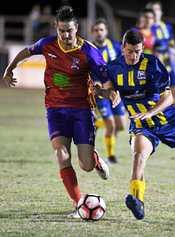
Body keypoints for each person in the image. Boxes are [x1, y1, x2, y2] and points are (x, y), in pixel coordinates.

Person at [2, 6, 117, 218]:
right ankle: (78, 203)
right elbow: (26, 51)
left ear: (77, 29)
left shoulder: (89, 52)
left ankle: (95, 160)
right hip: (55, 110)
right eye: (61, 30)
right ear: (56, 27)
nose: (65, 35)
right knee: (61, 155)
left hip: (82, 111)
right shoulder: (47, 44)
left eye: (69, 31)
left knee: (86, 166)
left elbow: (104, 78)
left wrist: (109, 92)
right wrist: (9, 70)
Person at [99, 29, 175, 220]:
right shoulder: (113, 68)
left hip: (169, 122)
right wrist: (107, 94)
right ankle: (137, 200)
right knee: (139, 157)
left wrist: (150, 112)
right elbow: (105, 91)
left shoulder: (152, 64)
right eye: (130, 51)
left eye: (138, 51)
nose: (134, 55)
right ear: (123, 48)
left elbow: (169, 98)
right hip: (142, 126)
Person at [91, 18, 126, 164]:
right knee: (111, 124)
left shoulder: (116, 47)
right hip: (100, 93)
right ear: (92, 32)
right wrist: (95, 82)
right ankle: (111, 156)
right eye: (96, 30)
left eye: (101, 30)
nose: (99, 33)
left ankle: (97, 123)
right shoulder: (89, 50)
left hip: (115, 91)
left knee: (121, 126)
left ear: (106, 31)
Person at [146, 1, 175, 106]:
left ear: (161, 12)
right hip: (155, 68)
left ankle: (166, 112)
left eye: (157, 9)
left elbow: (171, 44)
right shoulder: (147, 29)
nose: (155, 12)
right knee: (157, 99)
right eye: (152, 10)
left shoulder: (166, 27)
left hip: (168, 65)